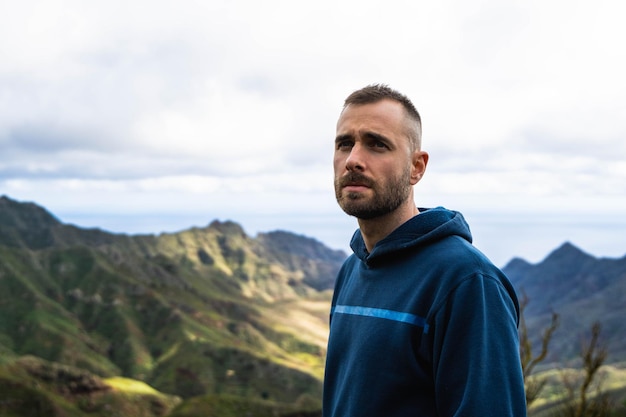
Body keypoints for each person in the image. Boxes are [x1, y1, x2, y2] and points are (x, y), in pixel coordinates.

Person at [323, 84, 526, 416]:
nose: (354, 160)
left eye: (377, 144)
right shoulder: (351, 271)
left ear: (417, 167)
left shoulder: (468, 282)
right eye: (345, 144)